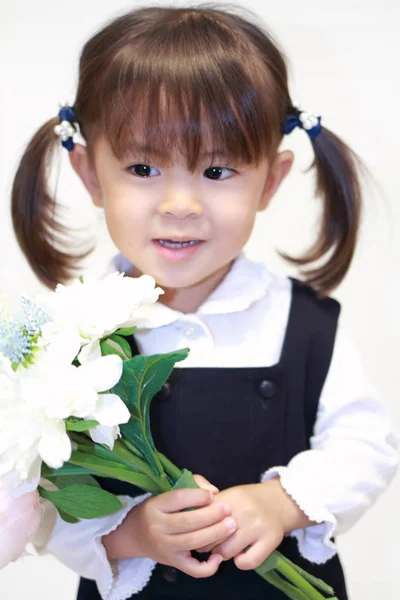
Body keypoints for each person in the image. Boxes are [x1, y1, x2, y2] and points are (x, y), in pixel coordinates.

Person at [10, 4, 398, 600]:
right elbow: (41, 502)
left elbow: (368, 444)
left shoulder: (305, 322)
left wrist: (284, 500)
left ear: (270, 180)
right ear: (90, 174)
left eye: (217, 170)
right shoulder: (67, 337)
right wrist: (129, 533)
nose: (181, 204)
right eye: (143, 167)